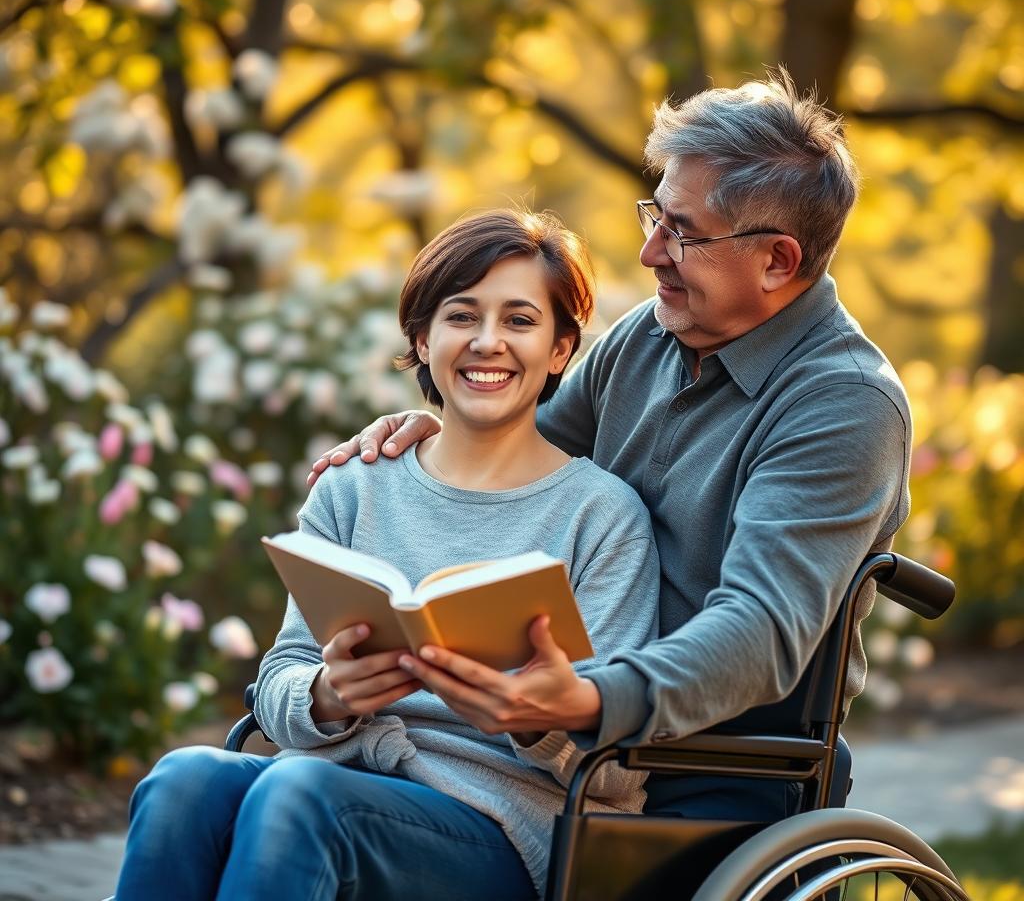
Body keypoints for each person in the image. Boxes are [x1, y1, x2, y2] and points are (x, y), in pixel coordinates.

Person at [307, 71, 912, 823]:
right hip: (558, 726)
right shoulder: (648, 337)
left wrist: (593, 696)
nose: (651, 251)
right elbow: (524, 457)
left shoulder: (845, 403)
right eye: (654, 216)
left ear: (777, 262)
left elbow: (761, 630)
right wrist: (440, 430)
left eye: (681, 231)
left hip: (714, 754)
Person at [114, 210, 659, 901]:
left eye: (520, 321)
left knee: (299, 791)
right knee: (181, 781)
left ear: (560, 349)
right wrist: (326, 695)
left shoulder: (602, 516)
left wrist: (532, 714)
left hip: (500, 830)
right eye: (462, 317)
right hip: (338, 777)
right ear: (423, 338)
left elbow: (617, 772)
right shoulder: (354, 488)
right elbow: (282, 675)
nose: (488, 342)